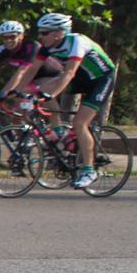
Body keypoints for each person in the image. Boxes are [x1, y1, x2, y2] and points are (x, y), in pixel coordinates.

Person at [32, 12, 117, 189]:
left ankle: (88, 170)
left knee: (80, 123)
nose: (40, 36)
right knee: (38, 86)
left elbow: (69, 73)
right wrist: (15, 92)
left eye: (45, 33)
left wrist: (51, 93)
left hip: (101, 80)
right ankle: (59, 131)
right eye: (40, 32)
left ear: (59, 33)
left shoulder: (77, 42)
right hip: (82, 78)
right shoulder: (47, 46)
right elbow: (30, 72)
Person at [0, 20, 60, 108]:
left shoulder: (31, 46)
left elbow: (21, 72)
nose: (8, 40)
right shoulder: (2, 49)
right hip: (30, 79)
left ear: (21, 36)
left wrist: (4, 93)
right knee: (15, 107)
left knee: (18, 94)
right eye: (5, 38)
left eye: (12, 36)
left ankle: (56, 119)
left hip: (52, 77)